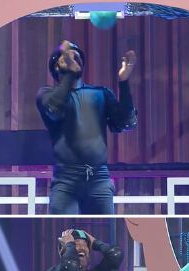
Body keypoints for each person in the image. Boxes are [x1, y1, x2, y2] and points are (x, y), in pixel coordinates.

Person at [36, 40, 138, 215]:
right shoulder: (46, 94)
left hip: (99, 179)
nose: (74, 59)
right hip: (65, 181)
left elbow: (126, 123)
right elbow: (54, 108)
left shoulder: (100, 93)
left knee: (105, 227)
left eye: (77, 57)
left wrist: (124, 82)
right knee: (62, 227)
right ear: (56, 67)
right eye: (68, 58)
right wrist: (70, 75)